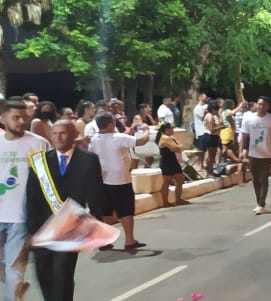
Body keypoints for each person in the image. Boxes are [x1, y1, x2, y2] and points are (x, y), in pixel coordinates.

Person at [26, 120, 102, 301]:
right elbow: (32, 199)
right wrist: (30, 232)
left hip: (71, 229)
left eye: (63, 133)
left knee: (62, 275)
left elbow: (95, 192)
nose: (58, 137)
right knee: (43, 275)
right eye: (54, 133)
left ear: (74, 135)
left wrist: (96, 222)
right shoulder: (40, 161)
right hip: (43, 229)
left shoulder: (88, 159)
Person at [0, 100, 50, 300]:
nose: (21, 121)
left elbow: (46, 181)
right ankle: (16, 289)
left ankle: (13, 293)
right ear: (3, 119)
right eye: (16, 117)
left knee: (15, 269)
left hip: (20, 217)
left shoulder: (38, 143)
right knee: (6, 270)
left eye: (24, 117)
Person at [89, 112, 150, 250]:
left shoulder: (94, 139)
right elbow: (141, 141)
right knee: (126, 210)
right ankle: (129, 240)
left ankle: (104, 241)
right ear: (110, 124)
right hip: (120, 179)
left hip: (102, 179)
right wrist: (146, 130)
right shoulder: (118, 137)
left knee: (106, 211)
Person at [239, 97, 271, 215]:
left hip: (266, 153)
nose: (260, 107)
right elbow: (244, 136)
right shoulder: (249, 119)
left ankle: (261, 203)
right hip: (253, 153)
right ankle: (259, 201)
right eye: (259, 104)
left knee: (264, 179)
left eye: (263, 105)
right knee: (255, 179)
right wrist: (242, 150)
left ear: (267, 106)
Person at [155, 122, 188, 207]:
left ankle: (178, 199)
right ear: (166, 130)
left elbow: (180, 146)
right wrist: (179, 146)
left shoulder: (170, 138)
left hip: (173, 161)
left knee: (180, 179)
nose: (173, 130)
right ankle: (165, 202)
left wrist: (179, 146)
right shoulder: (165, 138)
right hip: (167, 163)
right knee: (166, 182)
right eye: (171, 129)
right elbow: (175, 148)